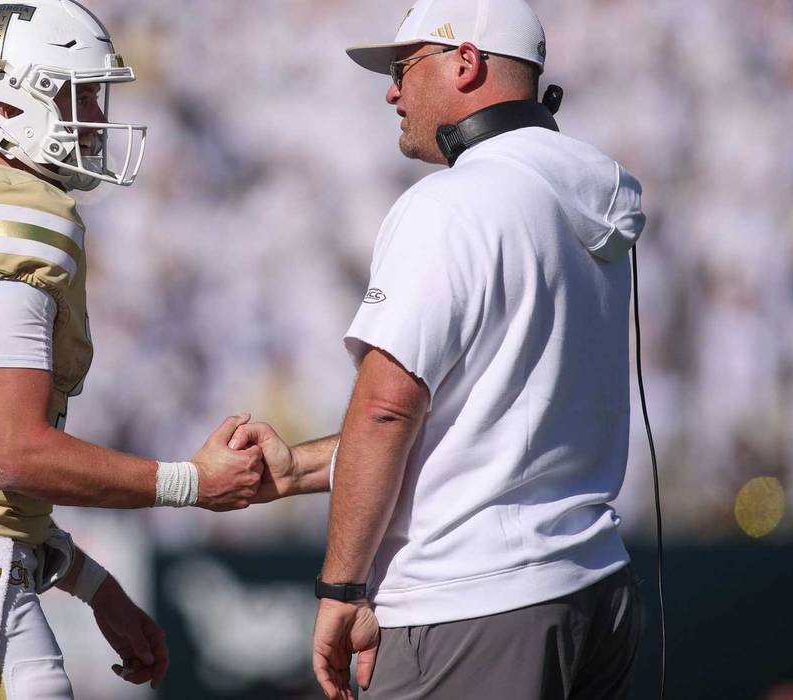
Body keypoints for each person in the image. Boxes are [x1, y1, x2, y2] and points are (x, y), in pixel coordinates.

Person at [0, 1, 264, 698]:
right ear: (6, 102)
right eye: (76, 95)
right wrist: (193, 483)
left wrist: (93, 585)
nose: (93, 118)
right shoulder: (17, 206)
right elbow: (15, 453)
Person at [231, 0, 649, 698]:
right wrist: (297, 468)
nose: (391, 91)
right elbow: (472, 427)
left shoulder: (452, 201)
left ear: (465, 62)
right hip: (594, 589)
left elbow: (388, 412)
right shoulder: (588, 193)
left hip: (470, 604)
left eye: (403, 68)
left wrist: (341, 586)